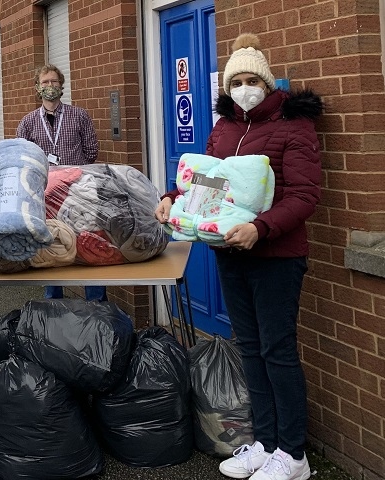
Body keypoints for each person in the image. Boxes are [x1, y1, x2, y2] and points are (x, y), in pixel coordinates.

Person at [155, 33, 323, 480]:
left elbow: (306, 195)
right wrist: (174, 197)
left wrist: (261, 228)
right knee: (249, 349)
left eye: (253, 80)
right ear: (227, 88)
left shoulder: (293, 126)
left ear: (267, 85)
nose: (244, 88)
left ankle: (294, 454)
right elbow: (206, 183)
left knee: (278, 351)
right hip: (229, 252)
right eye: (236, 82)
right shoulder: (225, 127)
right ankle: (266, 444)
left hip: (276, 255)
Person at [16, 63, 107, 302]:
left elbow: (91, 150)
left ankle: (96, 304)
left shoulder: (79, 115)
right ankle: (53, 304)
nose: (50, 86)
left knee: (87, 241)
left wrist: (71, 171)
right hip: (45, 193)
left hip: (79, 191)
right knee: (50, 247)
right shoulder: (28, 122)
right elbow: (22, 157)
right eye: (45, 82)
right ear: (37, 87)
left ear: (62, 85)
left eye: (54, 82)